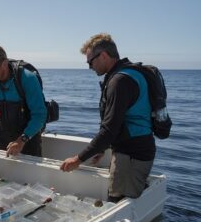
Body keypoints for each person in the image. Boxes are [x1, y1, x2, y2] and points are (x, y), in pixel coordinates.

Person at [60, 33, 155, 202]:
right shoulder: (130, 74)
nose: (90, 67)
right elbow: (120, 122)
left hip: (131, 156)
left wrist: (78, 159)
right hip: (136, 151)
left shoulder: (119, 82)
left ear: (103, 56)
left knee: (118, 204)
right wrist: (102, 149)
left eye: (90, 61)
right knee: (129, 199)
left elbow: (109, 129)